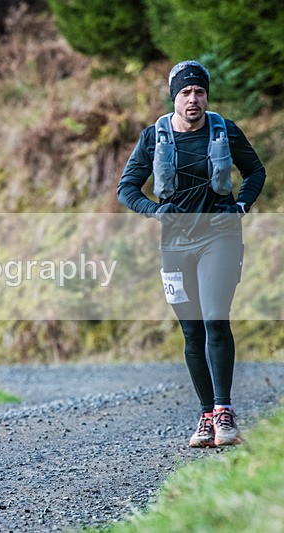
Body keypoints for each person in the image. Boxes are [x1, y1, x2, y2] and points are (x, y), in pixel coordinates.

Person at [117, 60, 265, 448]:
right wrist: (155, 210)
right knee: (192, 330)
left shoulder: (224, 130)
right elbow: (126, 188)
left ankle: (224, 412)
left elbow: (255, 172)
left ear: (206, 96)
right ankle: (205, 415)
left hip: (219, 238)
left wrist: (241, 206)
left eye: (199, 91)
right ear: (174, 98)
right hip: (175, 246)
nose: (193, 99)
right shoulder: (154, 137)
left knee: (215, 319)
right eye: (185, 92)